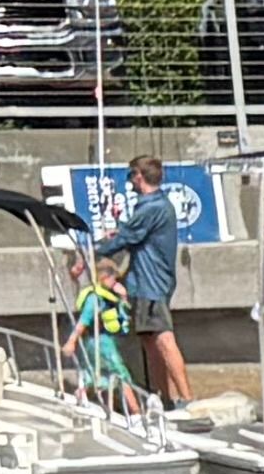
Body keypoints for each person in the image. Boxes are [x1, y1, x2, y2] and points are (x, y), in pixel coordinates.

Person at [78, 154, 198, 409]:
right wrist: (121, 228)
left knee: (163, 339)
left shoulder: (152, 207)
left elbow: (127, 238)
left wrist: (89, 255)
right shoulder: (154, 207)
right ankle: (163, 399)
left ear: (139, 176)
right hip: (144, 285)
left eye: (130, 175)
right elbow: (134, 233)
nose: (129, 181)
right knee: (149, 341)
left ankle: (187, 400)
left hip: (151, 286)